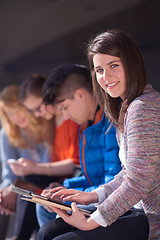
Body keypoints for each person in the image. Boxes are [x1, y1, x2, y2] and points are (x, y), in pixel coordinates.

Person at [37, 30, 160, 240]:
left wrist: (91, 222)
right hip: (137, 211)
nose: (106, 77)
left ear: (132, 63)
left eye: (114, 66)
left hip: (150, 218)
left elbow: (138, 181)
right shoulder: (127, 108)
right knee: (47, 231)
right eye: (99, 70)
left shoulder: (144, 107)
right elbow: (129, 171)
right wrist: (94, 195)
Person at [36, 63, 121, 228]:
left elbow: (113, 182)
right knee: (44, 206)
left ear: (80, 95)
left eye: (65, 108)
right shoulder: (87, 126)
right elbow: (92, 178)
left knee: (50, 227)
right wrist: (64, 188)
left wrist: (71, 196)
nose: (66, 116)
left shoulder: (110, 123)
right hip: (97, 195)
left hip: (111, 203)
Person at [8, 74, 80, 227]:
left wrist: (34, 167)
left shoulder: (72, 119)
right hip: (61, 180)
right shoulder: (50, 124)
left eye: (37, 108)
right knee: (26, 186)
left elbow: (75, 164)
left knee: (31, 181)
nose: (37, 114)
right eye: (32, 111)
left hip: (73, 179)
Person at [0, 85, 53, 240]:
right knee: (3, 198)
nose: (16, 117)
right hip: (22, 183)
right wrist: (6, 190)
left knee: (25, 186)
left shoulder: (45, 123)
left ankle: (19, 236)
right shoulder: (6, 135)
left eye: (18, 109)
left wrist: (15, 185)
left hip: (46, 178)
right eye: (10, 114)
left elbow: (49, 162)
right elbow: (8, 174)